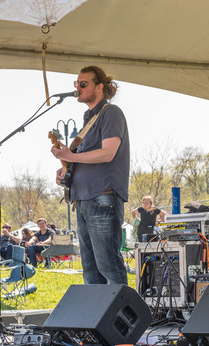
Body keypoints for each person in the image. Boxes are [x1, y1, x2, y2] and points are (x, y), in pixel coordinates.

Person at [51, 65, 129, 285]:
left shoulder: (111, 113)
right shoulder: (89, 118)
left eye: (83, 84)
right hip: (84, 200)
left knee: (109, 266)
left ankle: (123, 318)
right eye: (76, 84)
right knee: (91, 271)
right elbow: (85, 158)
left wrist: (72, 158)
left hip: (102, 198)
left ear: (99, 86)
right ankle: (98, 319)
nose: (78, 88)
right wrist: (66, 168)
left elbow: (108, 153)